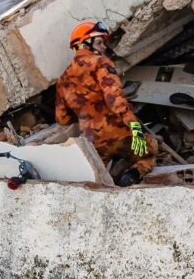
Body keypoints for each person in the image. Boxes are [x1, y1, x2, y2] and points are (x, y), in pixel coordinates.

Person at [53, 22, 152, 185]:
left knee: (99, 175)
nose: (104, 47)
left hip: (93, 141)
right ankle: (133, 175)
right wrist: (135, 128)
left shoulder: (63, 79)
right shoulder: (101, 63)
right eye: (99, 42)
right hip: (120, 132)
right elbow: (115, 100)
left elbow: (61, 119)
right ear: (84, 44)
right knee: (148, 152)